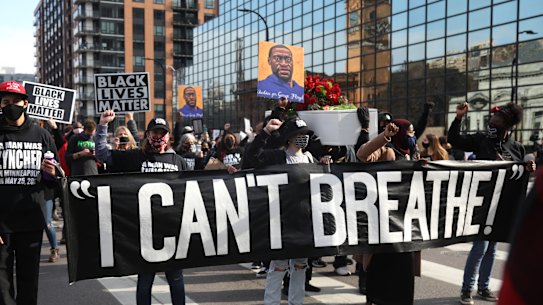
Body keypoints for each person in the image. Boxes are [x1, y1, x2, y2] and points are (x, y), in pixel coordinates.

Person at [95, 111, 189, 305]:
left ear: (169, 137)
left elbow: (201, 187)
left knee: (176, 280)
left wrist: (231, 172)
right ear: (147, 135)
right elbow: (102, 154)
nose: (159, 137)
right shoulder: (136, 157)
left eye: (162, 133)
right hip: (145, 233)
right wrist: (103, 125)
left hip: (172, 233)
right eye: (155, 133)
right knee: (145, 281)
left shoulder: (178, 162)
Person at [448, 102, 536, 305]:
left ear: (508, 125)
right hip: (482, 204)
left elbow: (520, 173)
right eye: (492, 119)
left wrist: (529, 166)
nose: (492, 123)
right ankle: (467, 289)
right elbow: (455, 140)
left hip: (503, 206)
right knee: (480, 246)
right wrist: (459, 118)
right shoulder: (481, 140)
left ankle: (483, 287)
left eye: (497, 120)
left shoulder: (517, 148)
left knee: (492, 248)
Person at [246, 117, 331, 305]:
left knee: (300, 267)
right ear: (289, 138)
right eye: (299, 135)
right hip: (282, 222)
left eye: (305, 135)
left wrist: (324, 164)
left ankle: (296, 302)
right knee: (278, 268)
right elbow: (252, 156)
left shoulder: (311, 158)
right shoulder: (277, 157)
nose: (303, 138)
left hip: (304, 223)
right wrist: (266, 132)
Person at [0, 80, 59, 305]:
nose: (11, 105)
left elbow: (54, 180)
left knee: (29, 282)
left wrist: (50, 174)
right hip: (1, 223)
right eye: (6, 101)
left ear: (25, 103)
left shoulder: (41, 135)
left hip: (31, 221)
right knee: (2, 286)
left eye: (16, 101)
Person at [356, 119, 418, 305]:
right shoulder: (387, 151)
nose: (412, 137)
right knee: (381, 282)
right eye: (410, 133)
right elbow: (362, 155)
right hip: (384, 226)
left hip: (405, 227)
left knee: (403, 283)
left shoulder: (410, 155)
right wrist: (384, 137)